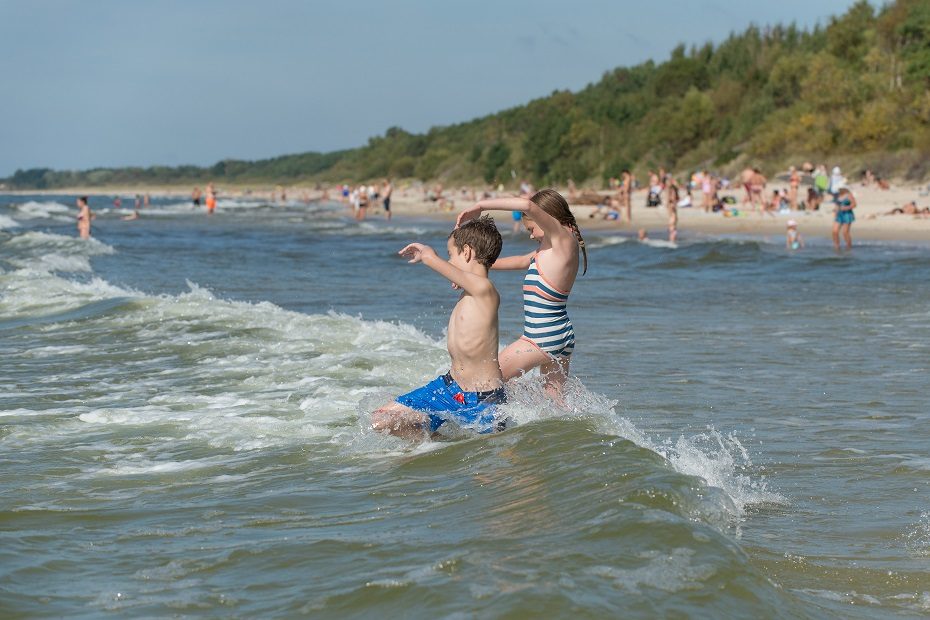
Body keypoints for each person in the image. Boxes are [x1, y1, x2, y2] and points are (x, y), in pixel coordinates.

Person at [371, 216, 505, 440]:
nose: (449, 262)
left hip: (482, 400)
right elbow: (461, 275)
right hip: (448, 388)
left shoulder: (486, 290)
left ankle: (450, 442)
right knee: (380, 419)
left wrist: (427, 255)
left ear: (467, 252)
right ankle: (439, 442)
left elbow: (459, 273)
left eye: (451, 255)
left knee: (486, 465)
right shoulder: (470, 292)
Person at [455, 189, 587, 396]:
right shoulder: (549, 249)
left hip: (541, 338)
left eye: (532, 228)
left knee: (482, 380)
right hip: (560, 336)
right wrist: (475, 267)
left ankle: (472, 424)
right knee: (555, 406)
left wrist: (481, 205)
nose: (531, 234)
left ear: (545, 218)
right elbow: (520, 261)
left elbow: (527, 205)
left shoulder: (563, 239)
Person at [832, 186, 856, 251]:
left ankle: (849, 246)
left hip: (847, 214)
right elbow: (837, 204)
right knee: (834, 231)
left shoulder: (849, 195)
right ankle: (837, 246)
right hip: (839, 214)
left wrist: (846, 208)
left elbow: (854, 204)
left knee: (845, 232)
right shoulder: (838, 195)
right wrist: (835, 211)